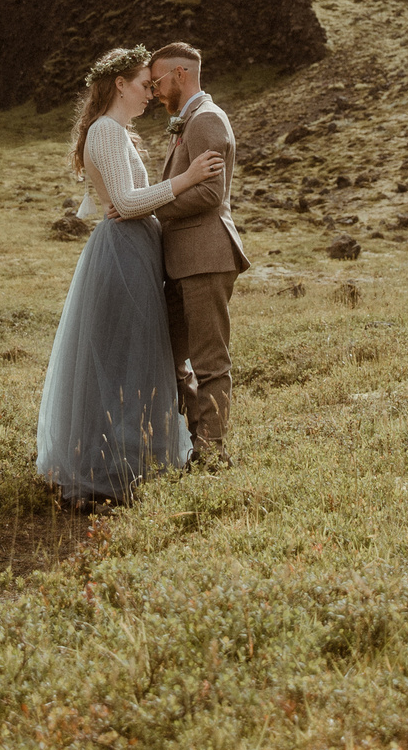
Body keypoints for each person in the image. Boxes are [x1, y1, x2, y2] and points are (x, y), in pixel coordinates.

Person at [34, 45, 225, 505]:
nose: (150, 94)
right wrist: (188, 177)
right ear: (119, 85)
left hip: (134, 250)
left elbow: (120, 200)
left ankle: (129, 459)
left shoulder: (114, 131)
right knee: (121, 359)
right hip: (122, 254)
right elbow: (127, 203)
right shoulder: (105, 131)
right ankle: (104, 468)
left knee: (132, 359)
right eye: (144, 85)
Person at [145, 42, 248, 467]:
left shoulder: (207, 120)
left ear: (180, 75)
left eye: (157, 82)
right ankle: (196, 440)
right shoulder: (187, 122)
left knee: (209, 360)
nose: (153, 92)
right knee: (165, 357)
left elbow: (208, 192)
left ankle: (210, 455)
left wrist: (148, 205)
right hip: (182, 261)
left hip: (207, 255)